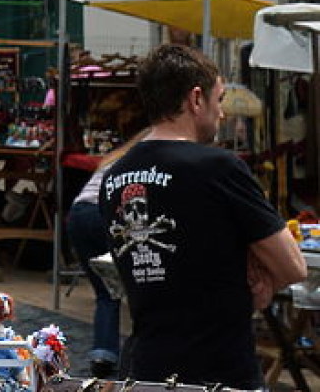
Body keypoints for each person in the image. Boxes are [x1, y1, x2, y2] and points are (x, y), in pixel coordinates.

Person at [99, 43, 306, 389]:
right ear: (196, 100)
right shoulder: (218, 167)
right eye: (219, 99)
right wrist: (260, 281)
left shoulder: (114, 177)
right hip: (218, 373)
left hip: (145, 372)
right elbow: (293, 265)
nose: (221, 113)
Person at [66, 128, 149, 377]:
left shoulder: (118, 156)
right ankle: (139, 354)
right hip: (106, 215)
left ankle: (103, 353)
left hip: (79, 215)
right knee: (140, 283)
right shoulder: (151, 159)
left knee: (106, 291)